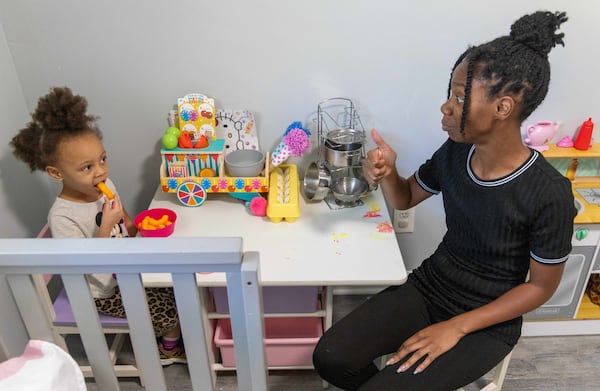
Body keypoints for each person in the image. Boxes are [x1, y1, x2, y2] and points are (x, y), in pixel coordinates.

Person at [313, 10, 575, 391]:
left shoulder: (548, 194)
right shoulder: (456, 152)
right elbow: (404, 199)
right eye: (449, 94)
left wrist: (456, 327)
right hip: (432, 287)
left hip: (488, 321)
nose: (446, 107)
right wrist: (388, 174)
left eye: (459, 97)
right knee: (331, 357)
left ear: (502, 108)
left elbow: (540, 288)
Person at [10, 87, 186, 365]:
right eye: (86, 167)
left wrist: (134, 226)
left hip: (126, 266)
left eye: (102, 159)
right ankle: (168, 348)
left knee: (182, 284)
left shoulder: (105, 186)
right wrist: (105, 227)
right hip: (102, 291)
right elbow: (84, 263)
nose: (101, 171)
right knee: (171, 308)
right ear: (57, 174)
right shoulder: (63, 216)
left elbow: (125, 221)